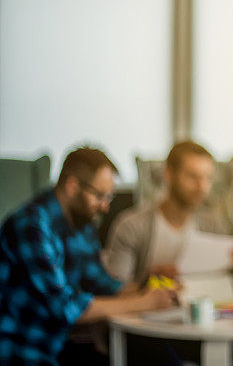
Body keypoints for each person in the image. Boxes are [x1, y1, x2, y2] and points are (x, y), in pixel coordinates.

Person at [0, 147, 174, 365]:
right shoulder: (31, 226)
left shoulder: (81, 223)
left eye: (109, 196)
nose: (105, 206)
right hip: (23, 349)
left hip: (60, 344)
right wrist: (144, 303)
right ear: (73, 186)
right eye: (100, 196)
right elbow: (67, 308)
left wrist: (146, 283)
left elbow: (103, 285)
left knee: (160, 357)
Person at [104, 140, 233, 284]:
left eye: (208, 178)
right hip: (151, 306)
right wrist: (149, 280)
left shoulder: (213, 225)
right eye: (193, 177)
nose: (202, 187)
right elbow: (114, 290)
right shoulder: (131, 227)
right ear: (168, 174)